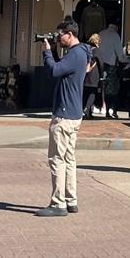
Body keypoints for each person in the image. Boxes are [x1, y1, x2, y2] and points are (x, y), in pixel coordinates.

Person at [39, 20, 88, 215]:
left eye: (61, 35)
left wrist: (47, 52)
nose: (58, 38)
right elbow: (63, 69)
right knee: (69, 157)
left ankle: (58, 203)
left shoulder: (75, 54)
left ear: (70, 34)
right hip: (75, 113)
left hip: (64, 114)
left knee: (57, 158)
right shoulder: (82, 53)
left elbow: (54, 70)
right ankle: (71, 199)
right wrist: (55, 52)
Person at [96, 22, 124, 115]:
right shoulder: (115, 36)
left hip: (99, 63)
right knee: (111, 88)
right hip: (110, 64)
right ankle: (109, 108)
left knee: (101, 85)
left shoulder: (101, 33)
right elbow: (120, 55)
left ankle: (102, 106)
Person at [82, 33, 103, 119]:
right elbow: (100, 63)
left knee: (86, 93)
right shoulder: (97, 51)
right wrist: (102, 74)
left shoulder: (86, 49)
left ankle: (88, 112)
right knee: (93, 93)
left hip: (85, 74)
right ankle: (86, 109)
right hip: (94, 74)